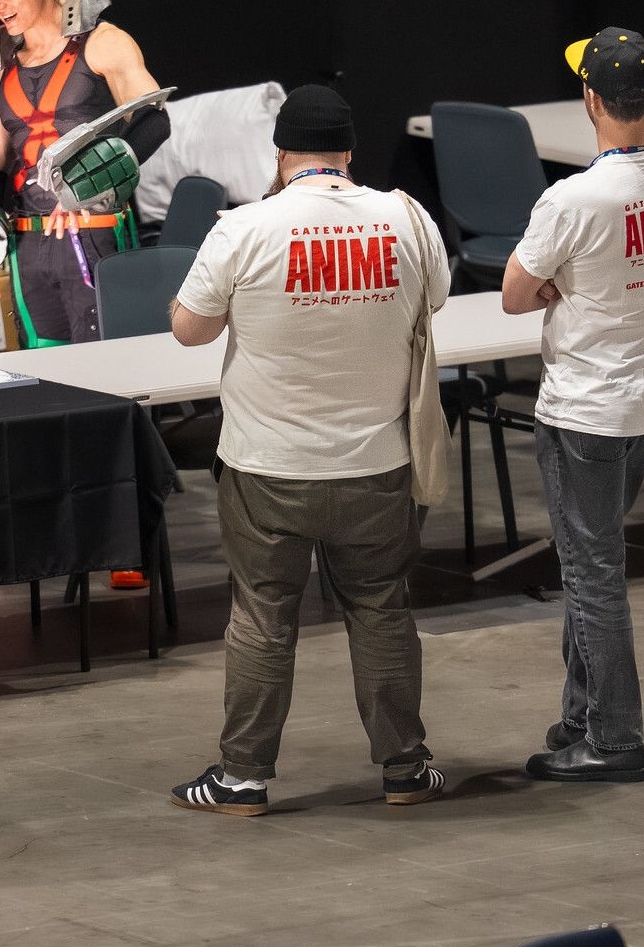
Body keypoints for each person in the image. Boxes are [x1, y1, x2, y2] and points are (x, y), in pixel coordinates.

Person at [164, 85, 451, 817]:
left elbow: (190, 330)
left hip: (266, 469)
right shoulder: (407, 217)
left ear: (281, 151)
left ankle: (242, 777)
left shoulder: (242, 228)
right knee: (382, 610)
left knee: (262, 617)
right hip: (376, 464)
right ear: (349, 150)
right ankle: (405, 768)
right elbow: (435, 299)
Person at [501, 29, 644, 785]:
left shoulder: (573, 198)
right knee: (592, 567)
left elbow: (515, 293)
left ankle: (615, 740)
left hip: (585, 410)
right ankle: (581, 716)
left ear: (591, 98)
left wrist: (563, 284)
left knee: (593, 578)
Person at [0, 0, 170, 348]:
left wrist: (83, 188)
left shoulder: (104, 43)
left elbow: (153, 120)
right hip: (28, 243)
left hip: (95, 229)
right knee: (41, 365)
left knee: (105, 364)